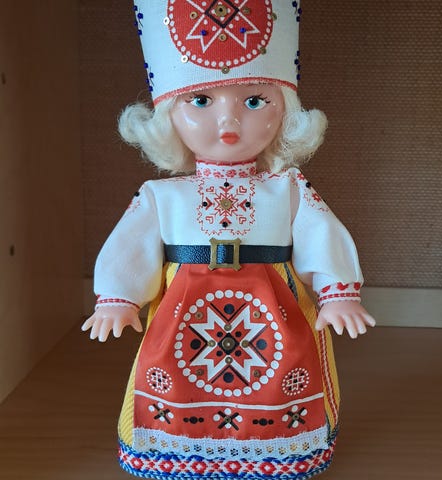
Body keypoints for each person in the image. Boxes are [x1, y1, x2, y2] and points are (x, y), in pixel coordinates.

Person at [82, 2, 375, 478]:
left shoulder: (288, 188)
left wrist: (337, 291)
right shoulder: (160, 195)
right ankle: (179, 448)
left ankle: (276, 450)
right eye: (200, 101)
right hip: (184, 310)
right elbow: (130, 245)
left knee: (283, 373)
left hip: (273, 307)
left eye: (255, 101)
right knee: (172, 374)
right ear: (167, 118)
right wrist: (118, 297)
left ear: (285, 113)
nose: (229, 121)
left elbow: (320, 232)